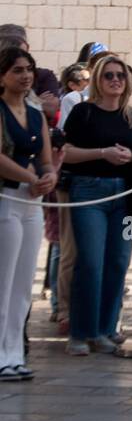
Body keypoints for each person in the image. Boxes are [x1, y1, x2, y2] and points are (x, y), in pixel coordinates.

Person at [62, 54, 132, 356]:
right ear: (98, 80)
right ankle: (81, 331)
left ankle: (104, 329)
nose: (115, 80)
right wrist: (103, 153)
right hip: (90, 194)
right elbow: (67, 153)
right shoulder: (83, 113)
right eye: (108, 75)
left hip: (126, 199)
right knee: (90, 261)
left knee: (118, 261)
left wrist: (131, 157)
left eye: (120, 76)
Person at [0, 46, 57, 380]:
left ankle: (14, 353)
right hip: (7, 197)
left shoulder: (35, 113)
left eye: (28, 70)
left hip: (31, 201)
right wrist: (31, 177)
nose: (24, 76)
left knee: (23, 284)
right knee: (3, 282)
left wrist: (47, 176)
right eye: (17, 70)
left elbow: (46, 156)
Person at [0, 24, 61, 122]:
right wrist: (37, 103)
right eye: (17, 70)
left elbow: (51, 109)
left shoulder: (44, 76)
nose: (26, 76)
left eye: (29, 69)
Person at [58, 63, 90, 131]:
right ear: (72, 85)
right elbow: (65, 128)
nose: (91, 82)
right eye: (87, 80)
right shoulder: (70, 99)